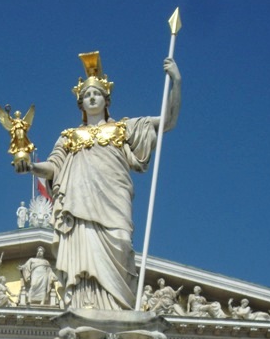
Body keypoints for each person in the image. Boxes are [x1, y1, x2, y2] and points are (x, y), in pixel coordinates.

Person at [15, 54, 181, 311]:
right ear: (81, 104)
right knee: (84, 261)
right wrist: (31, 167)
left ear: (106, 100)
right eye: (87, 95)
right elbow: (53, 167)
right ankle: (88, 306)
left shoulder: (123, 129)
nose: (92, 98)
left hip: (113, 200)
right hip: (79, 205)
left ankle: (119, 307)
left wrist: (176, 82)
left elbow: (167, 121)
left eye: (97, 93)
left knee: (122, 243)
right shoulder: (70, 137)